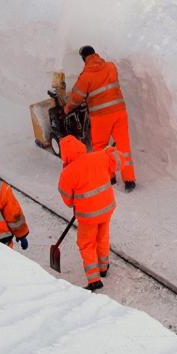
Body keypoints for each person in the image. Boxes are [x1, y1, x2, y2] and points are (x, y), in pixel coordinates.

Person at [63, 46, 136, 191]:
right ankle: (129, 180)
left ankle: (110, 178)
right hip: (120, 112)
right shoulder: (111, 67)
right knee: (124, 146)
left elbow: (76, 98)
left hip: (101, 117)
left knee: (100, 148)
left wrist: (67, 109)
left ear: (84, 58)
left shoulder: (86, 76)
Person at [57, 135, 116, 291]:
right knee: (102, 237)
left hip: (88, 217)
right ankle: (103, 267)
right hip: (107, 208)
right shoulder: (99, 156)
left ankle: (94, 279)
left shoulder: (67, 173)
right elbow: (113, 164)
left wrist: (77, 202)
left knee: (87, 244)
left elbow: (67, 199)